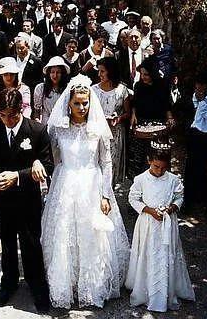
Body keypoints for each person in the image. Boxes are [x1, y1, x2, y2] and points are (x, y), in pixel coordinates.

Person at [41, 74, 129, 309]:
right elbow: (55, 160)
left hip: (92, 184)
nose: (82, 108)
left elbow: (106, 162)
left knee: (93, 236)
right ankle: (68, 282)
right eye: (77, 103)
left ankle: (93, 284)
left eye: (85, 103)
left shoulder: (97, 129)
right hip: (66, 183)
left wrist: (105, 194)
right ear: (68, 103)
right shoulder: (58, 130)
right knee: (65, 234)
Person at [0, 89, 53, 313]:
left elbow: (48, 164)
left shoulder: (37, 130)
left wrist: (19, 176)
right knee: (7, 243)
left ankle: (36, 285)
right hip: (1, 199)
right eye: (3, 115)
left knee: (31, 243)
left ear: (21, 110)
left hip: (27, 199)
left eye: (12, 115)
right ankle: (9, 283)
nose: (7, 120)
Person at [126, 146, 195, 312]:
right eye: (156, 166)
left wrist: (171, 208)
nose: (159, 171)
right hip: (148, 223)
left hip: (167, 223)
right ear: (149, 161)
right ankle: (145, 287)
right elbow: (133, 198)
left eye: (163, 168)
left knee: (166, 252)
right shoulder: (141, 179)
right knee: (148, 251)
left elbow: (179, 197)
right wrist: (149, 210)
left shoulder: (173, 180)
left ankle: (166, 289)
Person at [129, 58, 175, 178]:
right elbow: (134, 104)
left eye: (146, 74)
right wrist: (133, 115)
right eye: (142, 74)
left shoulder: (163, 85)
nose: (143, 77)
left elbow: (167, 105)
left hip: (159, 125)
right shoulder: (138, 86)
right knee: (140, 157)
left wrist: (170, 118)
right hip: (142, 125)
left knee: (158, 156)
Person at [183, 71, 207, 209]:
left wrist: (203, 102)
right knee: (190, 166)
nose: (197, 88)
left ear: (206, 85)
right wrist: (199, 100)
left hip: (206, 135)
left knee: (200, 167)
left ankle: (202, 198)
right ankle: (189, 199)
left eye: (199, 85)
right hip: (195, 132)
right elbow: (195, 108)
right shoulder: (197, 95)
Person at [92, 57, 131, 185]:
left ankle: (110, 191)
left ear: (111, 71)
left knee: (113, 164)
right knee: (98, 164)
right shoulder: (93, 90)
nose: (99, 74)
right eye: (98, 71)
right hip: (97, 133)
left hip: (116, 134)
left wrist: (118, 118)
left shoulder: (122, 90)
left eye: (102, 71)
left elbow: (127, 113)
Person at [33, 56, 70, 125]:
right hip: (46, 123)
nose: (55, 75)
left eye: (58, 72)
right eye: (52, 72)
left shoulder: (68, 88)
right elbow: (37, 111)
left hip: (63, 123)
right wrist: (37, 122)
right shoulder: (40, 88)